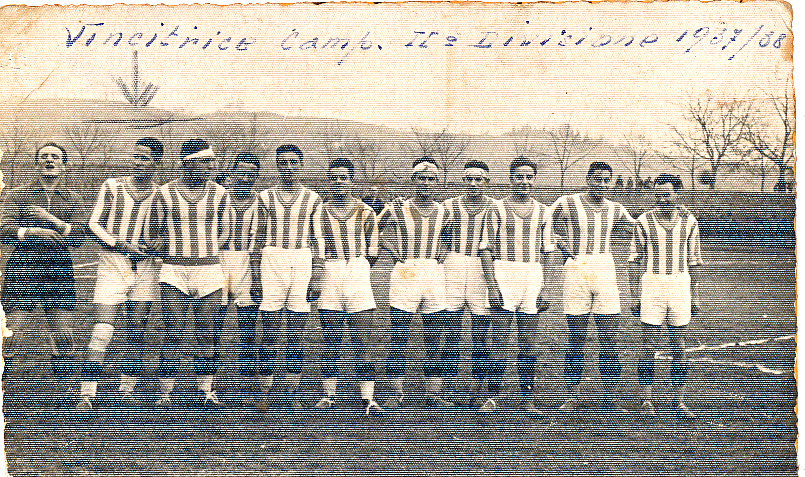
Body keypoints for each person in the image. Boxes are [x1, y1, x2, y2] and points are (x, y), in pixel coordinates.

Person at [75, 138, 164, 410]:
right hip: (113, 263)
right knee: (102, 329)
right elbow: (94, 224)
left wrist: (160, 242)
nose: (137, 162)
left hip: (145, 266)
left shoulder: (161, 193)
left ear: (157, 162)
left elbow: (167, 229)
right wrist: (121, 244)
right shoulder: (112, 186)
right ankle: (87, 394)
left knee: (137, 330)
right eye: (135, 156)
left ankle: (127, 389)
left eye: (144, 158)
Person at [0, 143, 87, 404]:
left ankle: (66, 391)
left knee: (63, 332)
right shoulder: (18, 194)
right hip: (23, 267)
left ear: (64, 165)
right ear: (36, 164)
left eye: (55, 157)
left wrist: (49, 219)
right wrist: (32, 232)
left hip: (58, 269)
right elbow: (3, 229)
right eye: (44, 156)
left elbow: (79, 237)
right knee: (12, 330)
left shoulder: (73, 198)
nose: (49, 160)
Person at [149, 139, 233, 408]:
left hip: (209, 269)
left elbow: (226, 231)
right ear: (188, 163)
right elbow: (154, 231)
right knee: (173, 332)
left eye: (212, 161)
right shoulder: (164, 192)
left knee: (207, 332)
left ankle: (206, 391)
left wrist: (205, 251)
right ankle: (165, 394)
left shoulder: (220, 193)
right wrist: (171, 247)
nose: (211, 166)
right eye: (205, 161)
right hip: (174, 269)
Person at [550, 161, 635, 414]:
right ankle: (571, 397)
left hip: (604, 268)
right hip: (577, 267)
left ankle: (610, 398)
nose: (602, 184)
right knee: (576, 338)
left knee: (609, 339)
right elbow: (541, 223)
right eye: (597, 179)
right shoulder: (567, 202)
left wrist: (677, 210)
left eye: (606, 180)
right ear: (588, 179)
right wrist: (560, 244)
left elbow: (640, 227)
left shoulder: (616, 208)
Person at [477, 157, 554, 417]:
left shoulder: (544, 211)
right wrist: (492, 286)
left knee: (529, 343)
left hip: (531, 275)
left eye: (529, 177)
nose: (524, 181)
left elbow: (548, 252)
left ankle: (527, 400)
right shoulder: (496, 208)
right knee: (499, 340)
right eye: (519, 176)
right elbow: (486, 249)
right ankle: (492, 397)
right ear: (511, 179)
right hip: (504, 273)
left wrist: (546, 287)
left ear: (534, 180)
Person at [251, 144, 324, 410]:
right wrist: (256, 276)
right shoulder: (265, 197)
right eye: (283, 163)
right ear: (277, 166)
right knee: (270, 331)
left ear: (301, 165)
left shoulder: (313, 199)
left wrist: (316, 275)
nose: (289, 168)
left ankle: (292, 392)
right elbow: (258, 237)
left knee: (296, 333)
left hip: (301, 260)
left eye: (294, 162)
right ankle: (264, 390)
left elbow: (318, 239)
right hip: (272, 260)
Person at [378, 157, 452, 409]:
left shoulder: (444, 211)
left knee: (434, 337)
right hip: (406, 271)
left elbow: (451, 236)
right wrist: (392, 250)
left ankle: (434, 393)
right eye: (421, 178)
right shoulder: (398, 207)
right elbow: (372, 229)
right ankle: (395, 392)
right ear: (413, 180)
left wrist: (443, 252)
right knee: (399, 335)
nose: (426, 183)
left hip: (433, 272)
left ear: (437, 182)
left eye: (431, 179)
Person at [627, 174, 702, 420]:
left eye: (667, 194)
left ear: (677, 194)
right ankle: (646, 400)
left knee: (679, 346)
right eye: (658, 194)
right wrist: (635, 296)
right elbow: (634, 260)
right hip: (653, 285)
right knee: (649, 346)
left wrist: (695, 295)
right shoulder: (643, 221)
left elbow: (694, 260)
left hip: (680, 285)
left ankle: (678, 402)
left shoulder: (689, 221)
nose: (662, 199)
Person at [312, 158, 384, 415]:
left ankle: (368, 398)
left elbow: (373, 251)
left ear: (351, 180)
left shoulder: (367, 211)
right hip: (330, 271)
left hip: (357, 270)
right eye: (333, 177)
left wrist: (356, 267)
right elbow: (317, 247)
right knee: (331, 339)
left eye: (343, 177)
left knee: (362, 340)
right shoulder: (320, 211)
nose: (338, 182)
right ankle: (328, 395)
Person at [441, 161, 494, 407]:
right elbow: (437, 233)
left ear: (487, 182)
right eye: (469, 179)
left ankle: (479, 387)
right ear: (463, 181)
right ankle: (447, 387)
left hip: (482, 267)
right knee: (451, 331)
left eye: (478, 179)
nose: (473, 183)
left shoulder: (495, 207)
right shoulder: (448, 206)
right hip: (453, 264)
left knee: (480, 333)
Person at [218, 153, 262, 407]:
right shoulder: (218, 197)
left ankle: (247, 385)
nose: (245, 178)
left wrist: (256, 276)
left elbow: (259, 239)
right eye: (241, 173)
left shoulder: (261, 201)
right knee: (213, 327)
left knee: (247, 329)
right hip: (218, 262)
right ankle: (208, 386)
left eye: (251, 175)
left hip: (247, 263)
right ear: (232, 173)